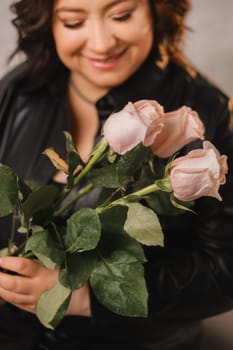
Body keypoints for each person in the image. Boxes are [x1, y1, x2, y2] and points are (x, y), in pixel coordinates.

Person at [0, 0, 233, 349]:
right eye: (74, 21)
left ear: (157, 10)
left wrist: (87, 295)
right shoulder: (20, 90)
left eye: (121, 15)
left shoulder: (208, 111)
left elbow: (227, 269)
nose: (101, 42)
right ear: (48, 23)